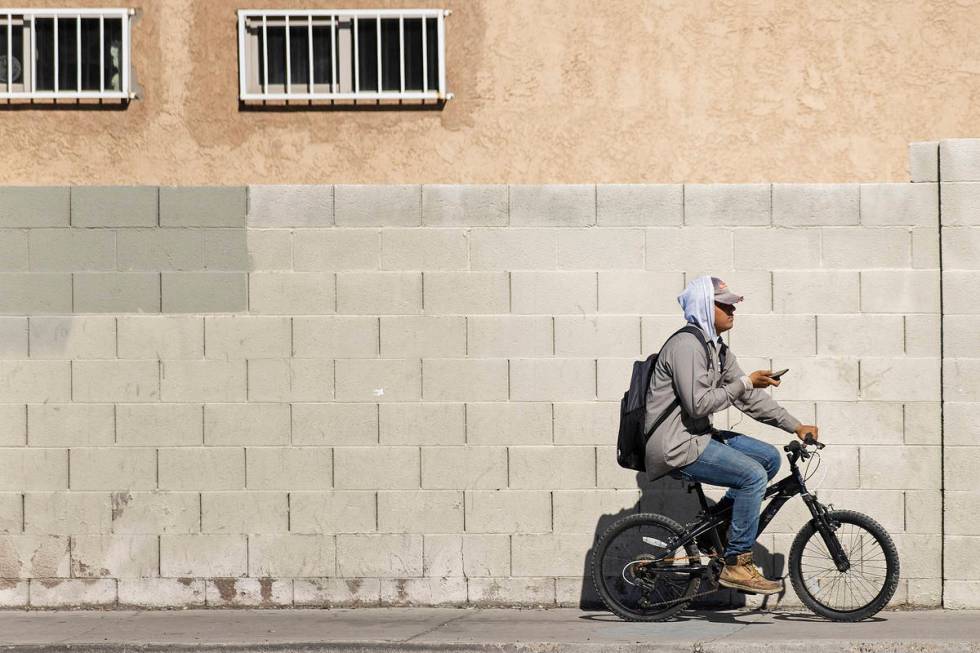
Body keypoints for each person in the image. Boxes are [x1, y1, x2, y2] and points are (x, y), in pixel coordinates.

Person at [643, 275, 819, 595]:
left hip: (695, 436)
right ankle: (737, 562)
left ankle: (721, 527)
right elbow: (699, 405)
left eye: (732, 305)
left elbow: (746, 397)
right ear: (704, 307)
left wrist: (795, 425)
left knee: (768, 458)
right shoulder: (686, 346)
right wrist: (746, 383)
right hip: (675, 444)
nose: (732, 311)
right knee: (752, 476)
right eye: (724, 305)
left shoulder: (716, 349)